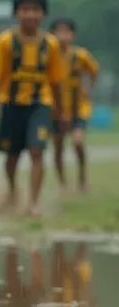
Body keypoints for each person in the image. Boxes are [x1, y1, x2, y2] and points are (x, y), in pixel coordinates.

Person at [0, 0, 64, 216]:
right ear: (17, 13)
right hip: (11, 105)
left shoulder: (51, 44)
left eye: (35, 10)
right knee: (11, 157)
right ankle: (12, 190)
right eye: (25, 9)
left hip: (40, 105)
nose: (30, 14)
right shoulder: (6, 41)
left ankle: (34, 204)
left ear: (43, 14)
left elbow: (56, 80)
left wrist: (60, 110)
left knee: (37, 151)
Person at [50, 18, 99, 193]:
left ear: (73, 35)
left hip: (78, 108)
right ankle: (62, 184)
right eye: (59, 31)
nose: (63, 36)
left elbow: (94, 70)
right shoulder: (48, 56)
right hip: (55, 110)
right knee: (58, 147)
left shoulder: (81, 55)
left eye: (67, 32)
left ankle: (82, 178)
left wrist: (87, 88)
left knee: (78, 142)